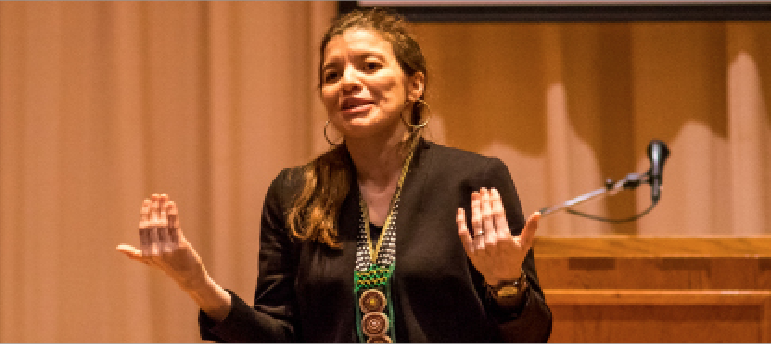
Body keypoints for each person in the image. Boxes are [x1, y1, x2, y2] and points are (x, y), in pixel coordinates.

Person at [117, 8, 551, 343]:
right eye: (332, 74)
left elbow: (531, 335)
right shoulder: (294, 193)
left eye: (369, 66)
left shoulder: (474, 180)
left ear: (414, 85)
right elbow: (280, 336)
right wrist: (200, 286)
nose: (348, 82)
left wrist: (506, 283)